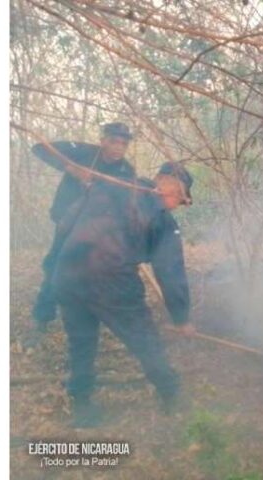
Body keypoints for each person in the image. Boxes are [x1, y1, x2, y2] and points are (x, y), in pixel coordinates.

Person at [45, 162, 196, 427]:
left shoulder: (109, 188)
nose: (176, 207)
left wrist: (54, 267)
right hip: (111, 282)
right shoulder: (161, 216)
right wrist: (181, 318)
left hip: (68, 276)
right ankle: (172, 395)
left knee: (81, 344)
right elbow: (170, 270)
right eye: (181, 200)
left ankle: (82, 407)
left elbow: (65, 223)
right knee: (144, 339)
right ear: (172, 188)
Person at [31, 122, 137, 327]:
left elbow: (125, 203)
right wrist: (72, 169)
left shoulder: (126, 171)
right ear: (103, 141)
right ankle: (43, 315)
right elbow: (40, 149)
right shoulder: (82, 152)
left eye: (123, 144)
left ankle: (86, 317)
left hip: (97, 230)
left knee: (92, 271)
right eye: (114, 141)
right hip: (68, 223)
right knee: (55, 266)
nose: (118, 147)